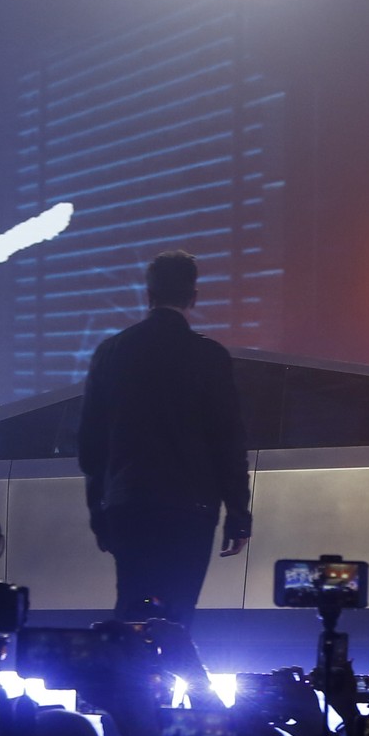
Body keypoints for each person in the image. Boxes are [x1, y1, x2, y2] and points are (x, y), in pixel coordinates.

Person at [78, 250, 252, 624]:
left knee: (131, 610)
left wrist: (100, 513)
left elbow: (91, 445)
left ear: (148, 293)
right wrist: (238, 514)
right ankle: (180, 677)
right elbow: (228, 440)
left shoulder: (111, 352)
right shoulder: (209, 356)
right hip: (191, 508)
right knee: (177, 615)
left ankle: (129, 680)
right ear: (193, 296)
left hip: (130, 504)